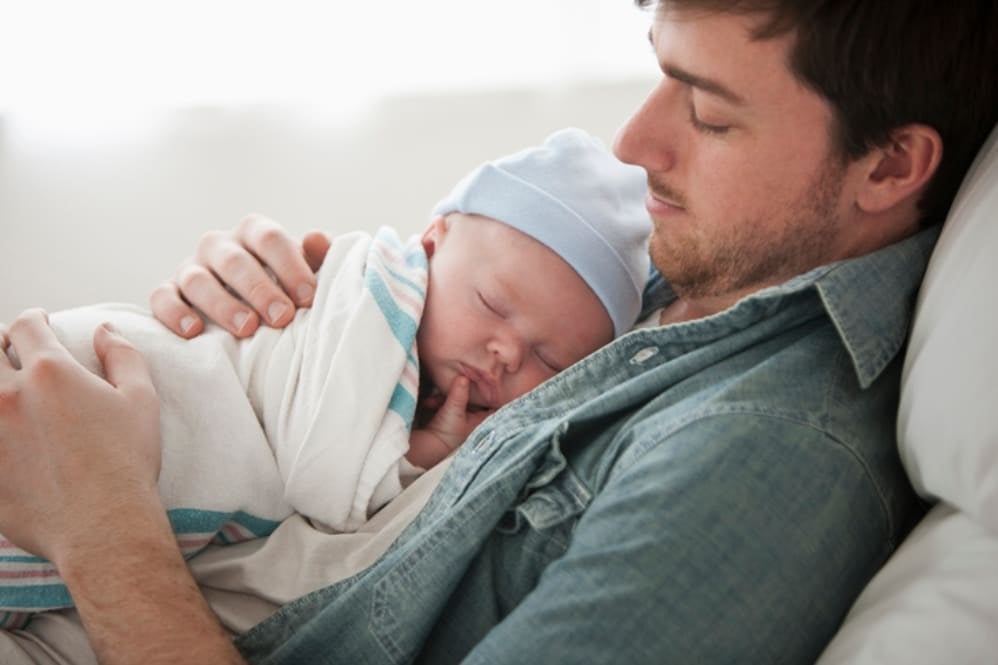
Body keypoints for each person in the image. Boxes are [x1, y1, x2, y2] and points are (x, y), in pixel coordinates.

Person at [0, 1, 995, 663]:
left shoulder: (766, 459)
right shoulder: (691, 254)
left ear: (888, 165)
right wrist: (277, 304)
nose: (633, 145)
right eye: (658, 75)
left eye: (710, 113)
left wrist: (99, 526)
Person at [0, 128, 651, 626]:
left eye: (551, 360)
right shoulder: (373, 300)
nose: (506, 351)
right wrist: (418, 458)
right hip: (105, 378)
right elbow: (326, 471)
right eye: (492, 303)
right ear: (431, 241)